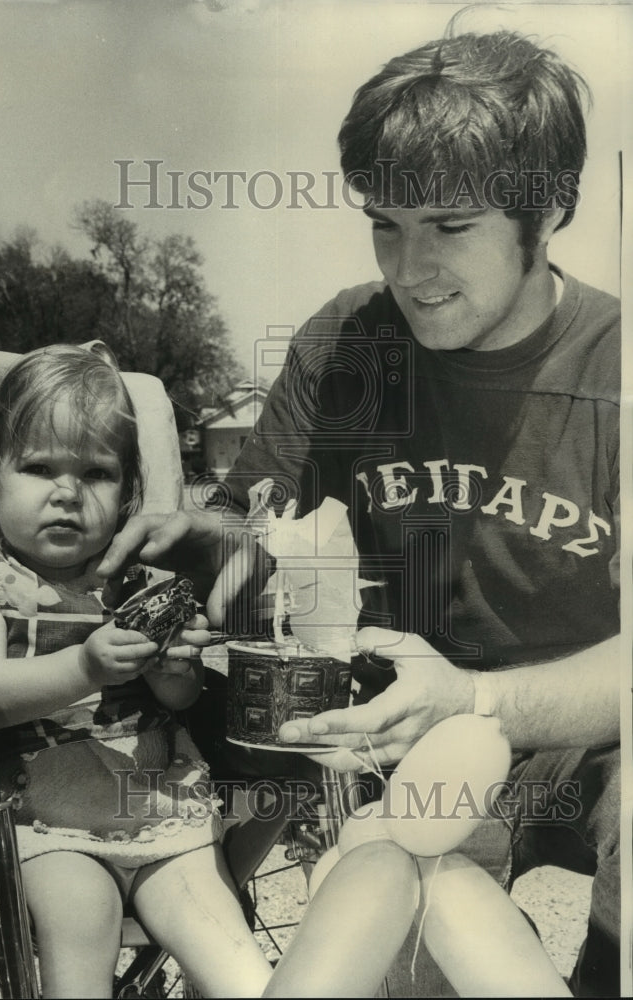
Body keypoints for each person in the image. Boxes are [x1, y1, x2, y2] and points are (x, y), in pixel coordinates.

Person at [98, 26, 622, 999]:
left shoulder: (614, 374)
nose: (411, 269)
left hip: (591, 735)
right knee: (386, 925)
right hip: (415, 743)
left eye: (450, 227)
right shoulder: (349, 346)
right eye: (386, 223)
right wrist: (196, 553)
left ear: (546, 212)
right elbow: (252, 523)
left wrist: (482, 701)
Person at [0, 345, 272, 999]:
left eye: (96, 472)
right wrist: (84, 666)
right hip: (50, 826)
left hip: (162, 817)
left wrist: (175, 666)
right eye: (38, 467)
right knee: (81, 935)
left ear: (126, 489)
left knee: (235, 963)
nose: (67, 492)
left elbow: (178, 698)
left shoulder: (135, 574)